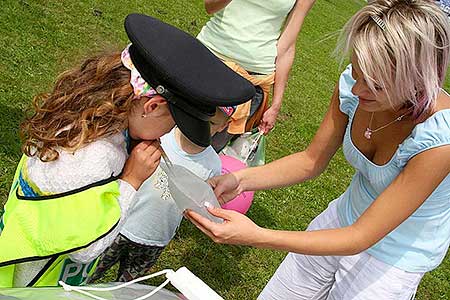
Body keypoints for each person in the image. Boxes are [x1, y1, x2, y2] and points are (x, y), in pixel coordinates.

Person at [187, 1, 450, 299]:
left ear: (418, 79)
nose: (357, 89)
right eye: (358, 71)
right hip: (344, 218)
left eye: (374, 84)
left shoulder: (440, 141)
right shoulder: (355, 85)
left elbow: (360, 237)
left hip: (395, 258)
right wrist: (241, 180)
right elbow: (310, 161)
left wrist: (257, 236)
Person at [0, 13, 254, 287]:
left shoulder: (89, 116)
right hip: (31, 278)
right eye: (173, 123)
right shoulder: (95, 157)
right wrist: (130, 181)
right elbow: (86, 248)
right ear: (152, 106)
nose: (169, 133)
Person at [89, 106, 233, 282]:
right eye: (198, 117)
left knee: (127, 287)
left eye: (210, 123)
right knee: (88, 273)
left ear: (223, 126)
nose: (199, 127)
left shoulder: (212, 165)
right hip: (121, 226)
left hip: (154, 239)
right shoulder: (159, 135)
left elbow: (198, 200)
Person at [197, 0, 317, 151]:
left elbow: (287, 46)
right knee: (169, 131)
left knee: (206, 151)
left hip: (251, 81)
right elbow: (210, 6)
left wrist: (276, 105)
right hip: (208, 58)